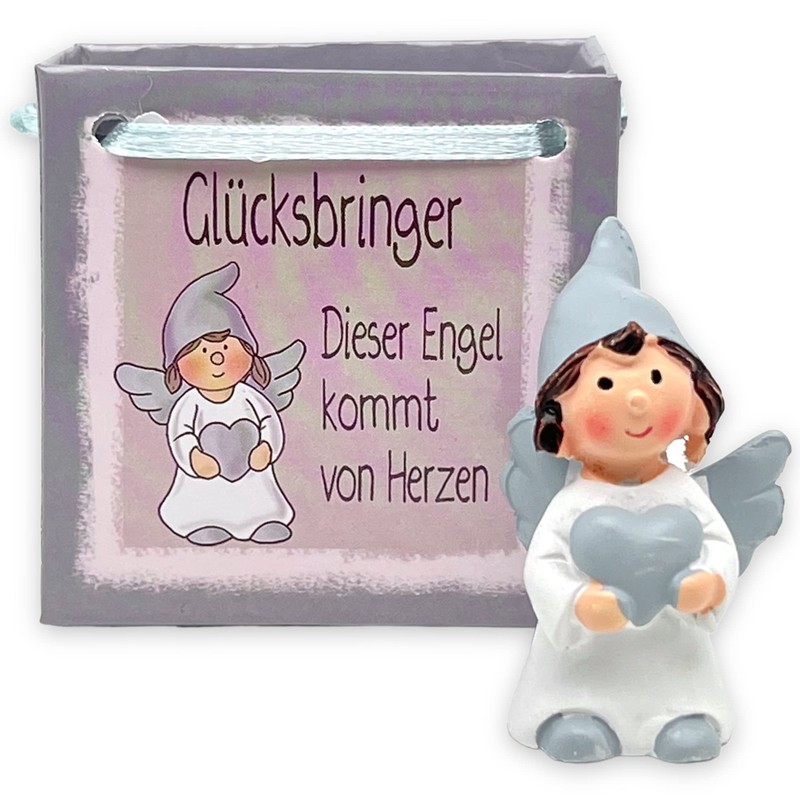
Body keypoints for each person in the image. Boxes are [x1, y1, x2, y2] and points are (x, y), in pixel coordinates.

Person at [504, 218, 788, 762]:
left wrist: (708, 583)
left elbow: (718, 545)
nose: (636, 400)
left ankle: (678, 717)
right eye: (606, 383)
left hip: (671, 646)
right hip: (586, 656)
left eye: (656, 378)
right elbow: (544, 565)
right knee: (578, 691)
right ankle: (576, 714)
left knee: (680, 694)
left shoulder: (685, 498)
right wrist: (578, 602)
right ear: (559, 424)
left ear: (694, 402)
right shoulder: (571, 505)